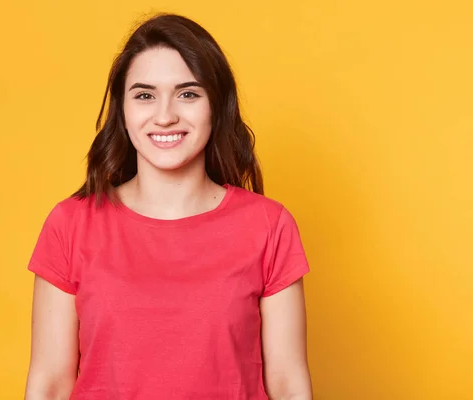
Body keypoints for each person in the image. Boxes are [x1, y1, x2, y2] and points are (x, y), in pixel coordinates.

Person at [24, 12, 312, 400]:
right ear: (122, 112)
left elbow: (287, 381)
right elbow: (51, 383)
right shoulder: (70, 224)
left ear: (216, 106)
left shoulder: (269, 226)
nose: (165, 116)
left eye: (188, 94)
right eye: (144, 95)